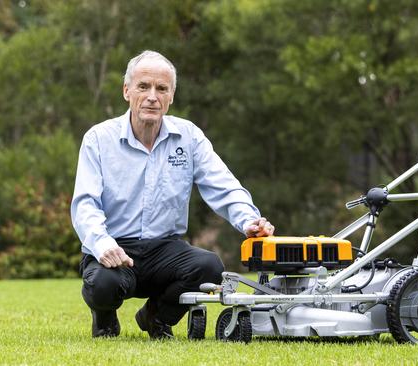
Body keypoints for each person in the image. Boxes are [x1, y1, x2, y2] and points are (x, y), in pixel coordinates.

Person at [70, 50, 275, 339]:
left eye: (161, 88)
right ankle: (104, 318)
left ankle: (157, 316)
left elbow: (223, 185)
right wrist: (102, 245)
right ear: (126, 91)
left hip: (165, 250)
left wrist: (249, 221)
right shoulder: (98, 139)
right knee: (103, 283)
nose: (152, 96)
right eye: (144, 87)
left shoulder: (189, 136)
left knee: (209, 267)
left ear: (171, 96)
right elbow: (84, 205)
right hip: (114, 247)